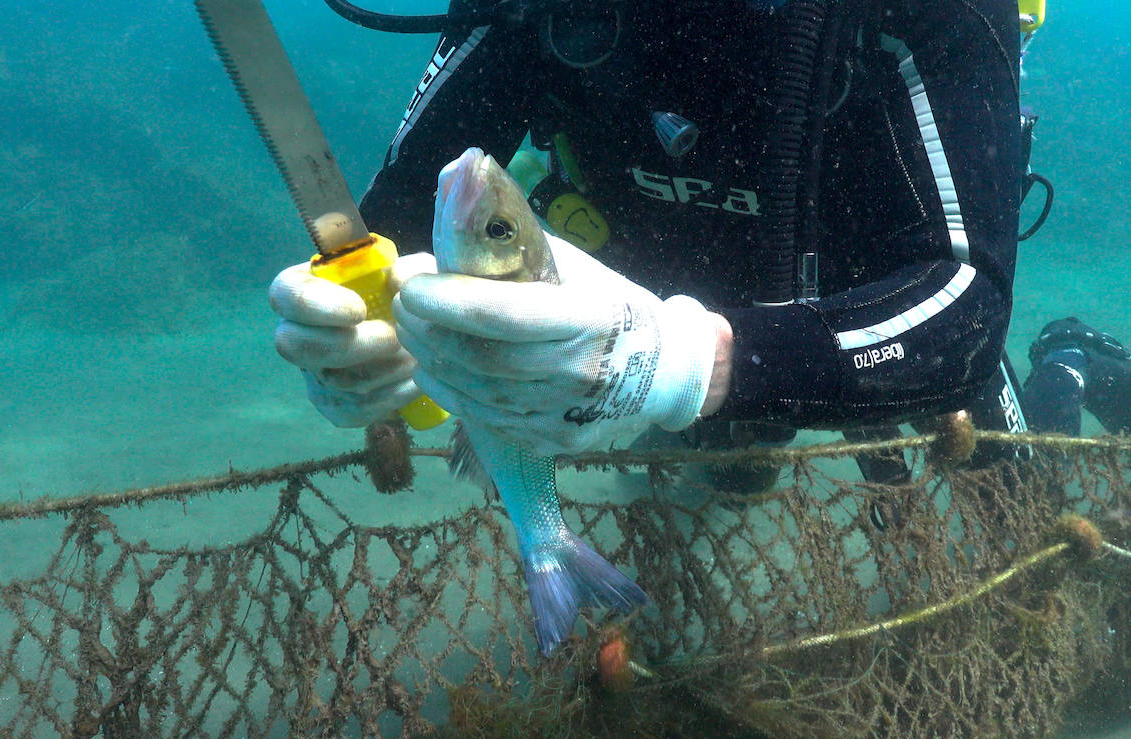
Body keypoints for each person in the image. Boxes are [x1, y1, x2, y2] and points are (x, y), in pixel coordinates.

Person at [270, 0, 1032, 472]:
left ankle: (1074, 367)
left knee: (1008, 489)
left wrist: (698, 358)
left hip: (855, 321)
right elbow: (402, 212)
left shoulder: (931, 7)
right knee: (716, 487)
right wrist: (369, 326)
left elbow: (966, 312)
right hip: (627, 328)